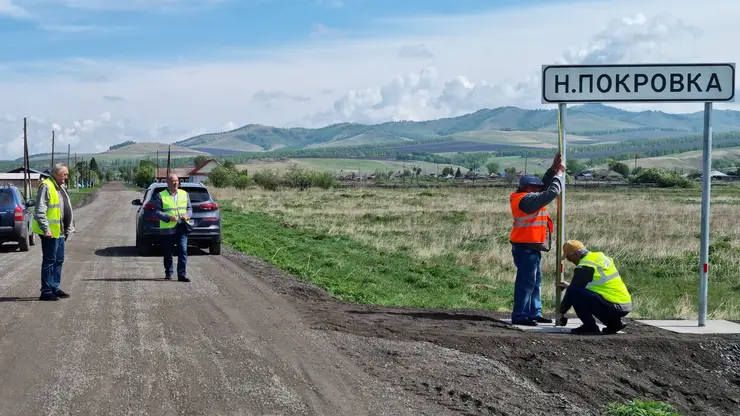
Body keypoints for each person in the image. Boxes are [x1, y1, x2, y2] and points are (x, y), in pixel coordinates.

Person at [509, 153, 565, 326]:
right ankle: (520, 315)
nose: (539, 189)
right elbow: (551, 192)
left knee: (535, 281)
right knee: (527, 282)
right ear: (529, 189)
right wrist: (560, 175)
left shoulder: (527, 195)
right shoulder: (526, 201)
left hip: (530, 247)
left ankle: (534, 312)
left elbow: (544, 188)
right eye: (536, 187)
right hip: (525, 248)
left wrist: (552, 170)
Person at [556, 240, 632, 335]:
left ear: (576, 254)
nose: (569, 260)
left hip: (612, 305)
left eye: (568, 257)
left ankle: (590, 327)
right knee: (589, 297)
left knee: (575, 294)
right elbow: (598, 285)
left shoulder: (585, 267)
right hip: (624, 304)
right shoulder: (600, 257)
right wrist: (570, 286)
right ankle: (615, 324)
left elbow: (573, 291)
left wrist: (561, 313)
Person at [32, 163, 75, 301]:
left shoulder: (61, 187)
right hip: (50, 232)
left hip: (60, 232)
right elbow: (40, 210)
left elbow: (65, 208)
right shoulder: (46, 186)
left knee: (59, 260)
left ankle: (54, 287)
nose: (66, 177)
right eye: (64, 175)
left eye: (66, 175)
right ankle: (46, 291)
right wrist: (46, 229)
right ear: (56, 174)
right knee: (49, 260)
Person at [152, 173, 192, 282]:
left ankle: (182, 274)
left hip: (182, 227)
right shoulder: (160, 195)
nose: (175, 183)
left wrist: (187, 215)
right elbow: (156, 212)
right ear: (168, 183)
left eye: (177, 181)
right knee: (168, 252)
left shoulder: (184, 194)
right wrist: (168, 217)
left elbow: (189, 209)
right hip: (168, 229)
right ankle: (169, 272)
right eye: (173, 181)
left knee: (183, 250)